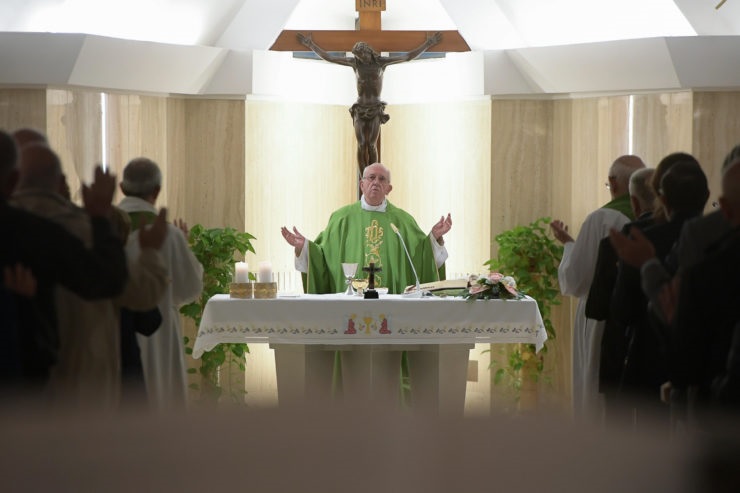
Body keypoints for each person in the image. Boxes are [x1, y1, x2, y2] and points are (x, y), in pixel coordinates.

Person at [11, 143, 169, 410]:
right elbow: (142, 295)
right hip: (85, 390)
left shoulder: (17, 227)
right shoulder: (81, 233)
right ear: (60, 182)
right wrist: (150, 252)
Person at [0, 129, 128, 398]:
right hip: (27, 395)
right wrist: (101, 219)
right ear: (13, 180)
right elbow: (105, 279)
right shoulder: (34, 232)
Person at [611, 159, 709, 429]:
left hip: (650, 364)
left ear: (662, 199)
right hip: (710, 370)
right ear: (708, 197)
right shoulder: (721, 239)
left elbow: (622, 311)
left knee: (652, 461)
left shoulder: (641, 238)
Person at [550, 154, 645, 424]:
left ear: (614, 182)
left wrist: (569, 247)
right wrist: (573, 241)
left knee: (596, 394)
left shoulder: (601, 219)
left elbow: (575, 280)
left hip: (601, 318)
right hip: (642, 320)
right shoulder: (655, 219)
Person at [281, 162, 451, 295]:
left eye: (382, 179)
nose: (376, 182)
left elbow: (422, 256)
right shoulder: (341, 218)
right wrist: (303, 247)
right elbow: (323, 257)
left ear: (388, 189)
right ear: (362, 185)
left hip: (393, 308)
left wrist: (434, 238)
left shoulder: (403, 221)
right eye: (371, 177)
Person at [118, 157, 203, 411]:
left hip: (116, 334)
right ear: (156, 191)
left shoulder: (102, 228)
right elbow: (190, 288)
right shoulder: (169, 234)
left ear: (122, 188)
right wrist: (184, 246)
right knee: (162, 400)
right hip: (159, 331)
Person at [297, 32, 442, 176]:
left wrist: (428, 44)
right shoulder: (355, 63)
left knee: (371, 145)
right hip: (359, 109)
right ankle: (364, 178)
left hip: (375, 109)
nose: (361, 59)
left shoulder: (381, 62)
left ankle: (373, 177)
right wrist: (310, 44)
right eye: (359, 56)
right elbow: (330, 58)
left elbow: (407, 57)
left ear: (368, 52)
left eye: (362, 55)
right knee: (361, 145)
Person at [586, 167, 656, 426]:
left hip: (622, 350)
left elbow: (596, 308)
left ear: (634, 202)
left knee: (620, 433)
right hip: (668, 357)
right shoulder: (693, 237)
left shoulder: (617, 241)